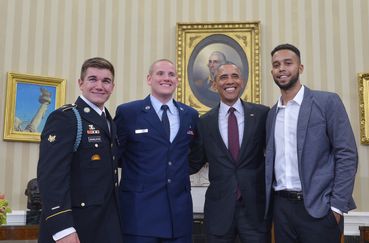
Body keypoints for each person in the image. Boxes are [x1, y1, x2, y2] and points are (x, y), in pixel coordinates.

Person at [264, 43, 358, 243]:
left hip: (319, 209)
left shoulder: (327, 102)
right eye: (276, 64)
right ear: (272, 70)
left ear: (300, 67)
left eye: (288, 63)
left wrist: (336, 207)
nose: (281, 68)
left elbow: (347, 154)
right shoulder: (272, 114)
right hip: (281, 210)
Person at [37, 57, 122, 243]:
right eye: (93, 79)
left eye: (106, 81)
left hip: (105, 225)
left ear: (112, 87)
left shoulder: (109, 122)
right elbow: (51, 176)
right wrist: (62, 229)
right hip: (74, 227)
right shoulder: (66, 118)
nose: (99, 86)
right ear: (80, 83)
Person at [114, 59, 199, 243]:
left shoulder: (190, 115)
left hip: (179, 216)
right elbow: (116, 157)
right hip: (139, 215)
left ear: (177, 80)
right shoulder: (129, 112)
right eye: (160, 73)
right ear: (149, 78)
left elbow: (194, 156)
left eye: (171, 74)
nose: (166, 78)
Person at [190, 62, 270, 243]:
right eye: (223, 77)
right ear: (215, 83)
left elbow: (275, 155)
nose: (230, 81)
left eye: (234, 76)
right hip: (219, 212)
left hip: (255, 213)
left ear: (241, 81)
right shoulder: (204, 122)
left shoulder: (261, 115)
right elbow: (195, 161)